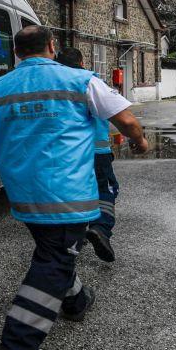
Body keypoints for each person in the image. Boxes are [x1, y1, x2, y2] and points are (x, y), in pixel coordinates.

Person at [0, 25, 149, 350]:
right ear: (52, 46)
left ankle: (76, 301)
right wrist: (140, 141)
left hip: (22, 193)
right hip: (65, 195)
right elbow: (126, 120)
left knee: (53, 249)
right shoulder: (80, 80)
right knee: (54, 261)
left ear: (17, 53)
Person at [54, 47, 122, 263]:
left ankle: (73, 235)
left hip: (66, 154)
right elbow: (122, 116)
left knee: (72, 192)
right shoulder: (91, 82)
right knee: (105, 190)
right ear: (82, 62)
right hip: (97, 153)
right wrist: (139, 139)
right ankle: (100, 228)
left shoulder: (53, 86)